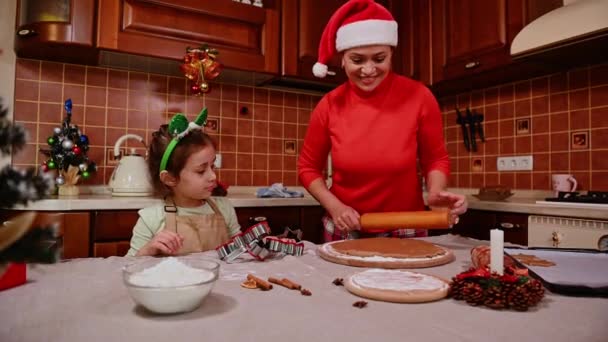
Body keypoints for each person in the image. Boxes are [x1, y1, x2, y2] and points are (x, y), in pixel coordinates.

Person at [298, 0, 467, 242]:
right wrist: (335, 207)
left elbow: (435, 158)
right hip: (346, 223)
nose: (369, 70)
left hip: (407, 223)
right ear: (343, 59)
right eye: (357, 60)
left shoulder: (419, 97)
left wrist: (436, 191)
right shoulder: (329, 105)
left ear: (391, 54)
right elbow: (308, 168)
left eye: (379, 58)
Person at [126, 110, 240, 256]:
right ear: (170, 178)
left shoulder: (224, 208)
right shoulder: (151, 218)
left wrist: (256, 244)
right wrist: (148, 250)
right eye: (200, 171)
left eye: (212, 166)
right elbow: (127, 266)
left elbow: (239, 252)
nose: (213, 176)